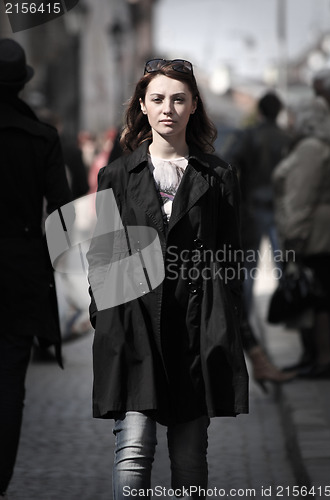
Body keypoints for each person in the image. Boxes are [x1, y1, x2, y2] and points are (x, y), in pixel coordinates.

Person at [87, 58, 249, 499]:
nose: (168, 108)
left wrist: (227, 318)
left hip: (195, 331)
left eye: (179, 99)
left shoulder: (218, 176)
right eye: (157, 98)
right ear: (142, 104)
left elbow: (232, 256)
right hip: (134, 325)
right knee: (133, 451)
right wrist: (105, 318)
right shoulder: (117, 175)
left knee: (190, 456)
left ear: (194, 105)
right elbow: (102, 258)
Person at [0, 38, 72, 498]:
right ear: (23, 84)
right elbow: (62, 214)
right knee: (9, 382)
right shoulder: (43, 138)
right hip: (21, 272)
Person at [273, 96, 330, 378]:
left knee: (314, 295)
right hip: (320, 231)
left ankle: (321, 358)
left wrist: (293, 240)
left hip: (313, 235)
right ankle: (315, 357)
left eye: (293, 116)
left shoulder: (310, 148)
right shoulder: (317, 145)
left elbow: (300, 197)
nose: (289, 122)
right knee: (316, 294)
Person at [224, 91, 290, 314]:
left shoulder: (249, 135)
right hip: (282, 209)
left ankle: (244, 319)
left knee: (248, 268)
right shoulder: (287, 138)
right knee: (284, 265)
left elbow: (228, 163)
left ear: (260, 111)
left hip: (252, 207)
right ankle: (289, 313)